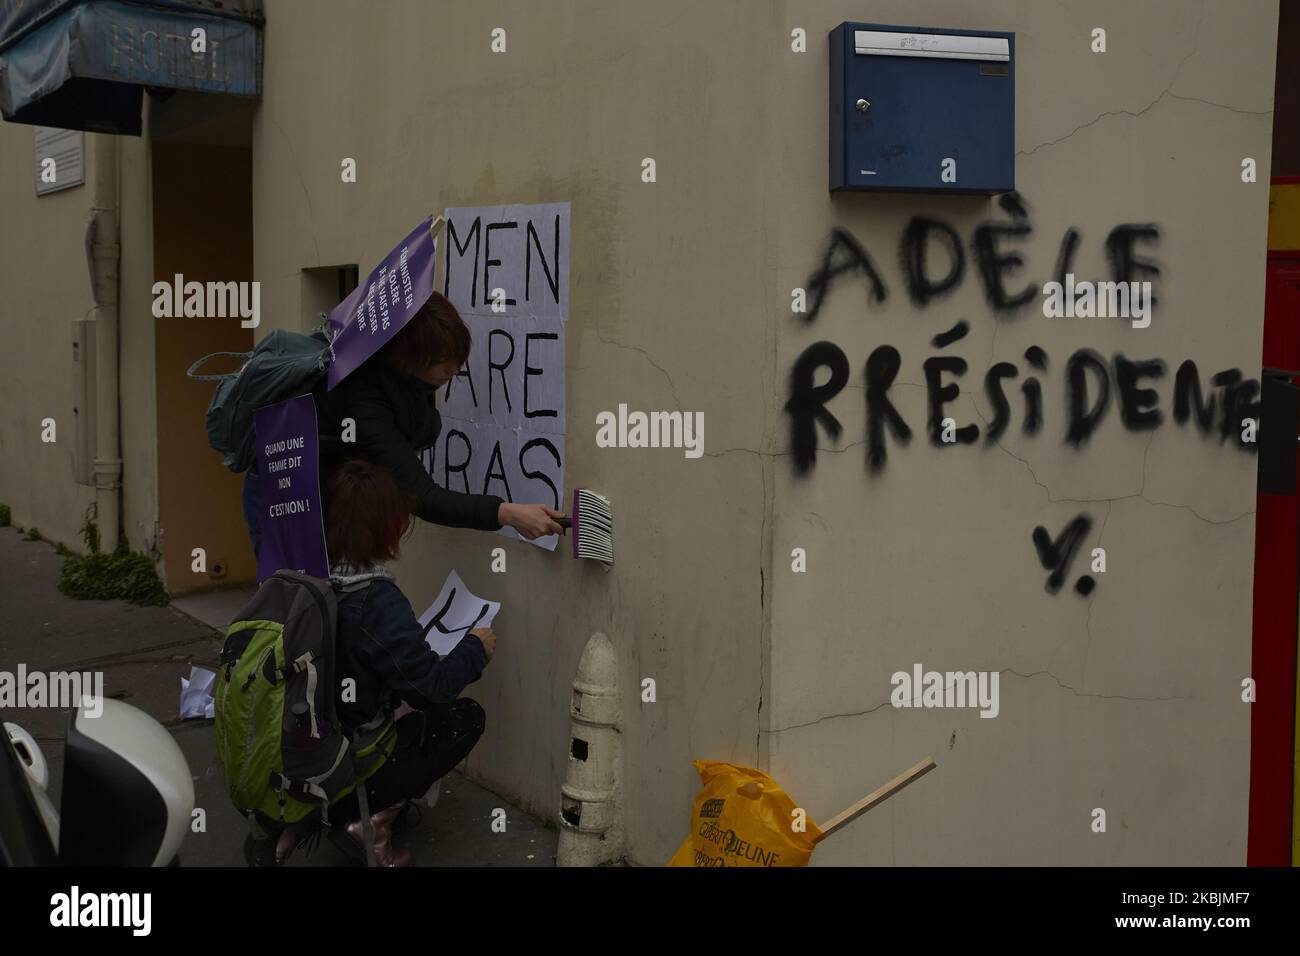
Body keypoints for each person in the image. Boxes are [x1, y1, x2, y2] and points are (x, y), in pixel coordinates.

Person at [251, 459, 494, 867]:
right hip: (344, 759)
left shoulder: (298, 578)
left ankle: (294, 820)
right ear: (387, 527)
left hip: (290, 751)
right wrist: (473, 647)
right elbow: (429, 689)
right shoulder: (375, 599)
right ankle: (370, 821)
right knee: (462, 718)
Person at [242, 290, 565, 557]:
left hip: (331, 493)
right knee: (298, 604)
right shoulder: (363, 394)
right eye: (441, 359)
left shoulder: (409, 382)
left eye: (457, 357)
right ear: (409, 353)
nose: (453, 370)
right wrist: (508, 514)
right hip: (289, 492)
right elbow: (423, 497)